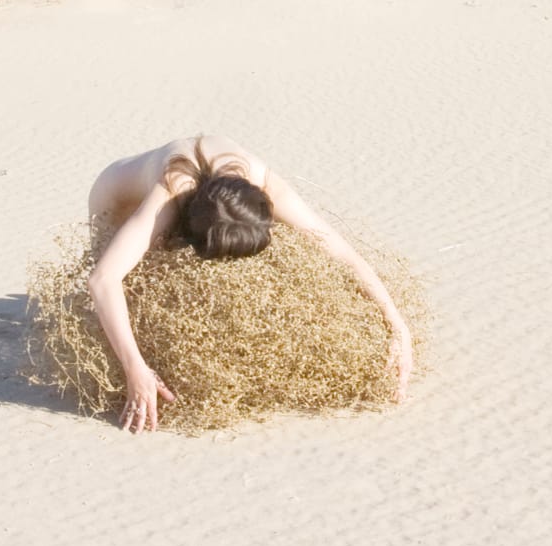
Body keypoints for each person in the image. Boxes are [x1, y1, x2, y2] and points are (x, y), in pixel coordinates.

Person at [86, 133, 414, 433]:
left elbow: (343, 253)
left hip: (200, 202)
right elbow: (103, 280)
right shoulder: (171, 192)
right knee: (133, 292)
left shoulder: (266, 185)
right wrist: (135, 369)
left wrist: (396, 323)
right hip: (115, 199)